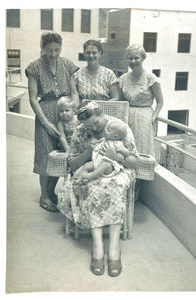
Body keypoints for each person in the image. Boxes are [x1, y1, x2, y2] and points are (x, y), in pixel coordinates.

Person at [57, 101, 139, 277]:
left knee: (115, 186)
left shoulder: (118, 127)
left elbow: (134, 161)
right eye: (88, 126)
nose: (93, 128)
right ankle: (98, 246)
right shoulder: (81, 130)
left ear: (102, 114)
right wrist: (89, 151)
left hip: (119, 169)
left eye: (96, 123)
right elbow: (71, 163)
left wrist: (115, 156)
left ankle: (114, 248)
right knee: (93, 186)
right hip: (91, 168)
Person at [25, 32, 79, 213]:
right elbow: (33, 98)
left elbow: (73, 92)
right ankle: (44, 195)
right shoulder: (34, 68)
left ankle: (51, 191)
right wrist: (46, 123)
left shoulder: (67, 65)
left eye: (57, 50)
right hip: (45, 111)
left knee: (61, 154)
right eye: (49, 50)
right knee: (45, 153)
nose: (54, 54)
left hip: (64, 111)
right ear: (42, 49)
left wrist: (74, 112)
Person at [119, 44, 164, 155]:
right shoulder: (123, 78)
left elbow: (160, 101)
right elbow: (120, 100)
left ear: (143, 58)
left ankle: (143, 170)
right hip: (127, 116)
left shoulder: (150, 78)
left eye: (136, 58)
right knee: (127, 146)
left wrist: (153, 117)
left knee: (143, 148)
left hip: (145, 117)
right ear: (126, 59)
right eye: (130, 58)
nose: (133, 61)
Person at [76, 119, 130, 183]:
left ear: (115, 137)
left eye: (108, 130)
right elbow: (96, 144)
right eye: (106, 128)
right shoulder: (104, 140)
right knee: (87, 166)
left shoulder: (117, 143)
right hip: (97, 162)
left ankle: (91, 176)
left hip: (109, 166)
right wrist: (94, 143)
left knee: (104, 165)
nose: (105, 130)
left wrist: (121, 149)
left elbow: (127, 153)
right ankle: (79, 179)